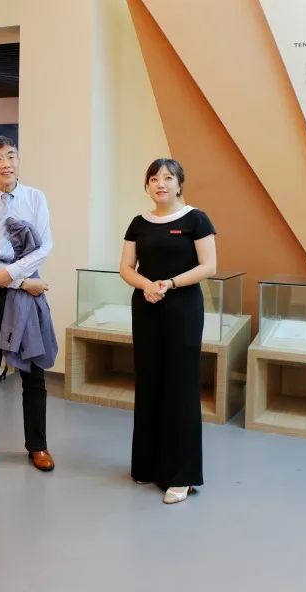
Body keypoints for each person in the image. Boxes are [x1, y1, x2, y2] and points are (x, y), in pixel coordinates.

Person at [119, 158, 216, 505]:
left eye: (168, 178)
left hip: (183, 308)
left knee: (181, 386)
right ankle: (147, 464)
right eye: (154, 179)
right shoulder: (138, 223)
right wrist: (147, 285)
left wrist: (169, 284)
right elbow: (126, 267)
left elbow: (209, 265)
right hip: (146, 306)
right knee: (149, 381)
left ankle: (182, 476)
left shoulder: (196, 219)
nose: (160, 184)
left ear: (179, 184)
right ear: (147, 185)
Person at [0, 136, 55, 474]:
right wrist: (19, 281)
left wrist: (14, 277)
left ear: (18, 161)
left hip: (27, 290)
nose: (6, 163)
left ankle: (38, 445)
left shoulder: (35, 197)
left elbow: (44, 246)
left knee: (34, 373)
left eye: (11, 156)